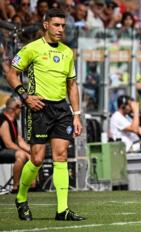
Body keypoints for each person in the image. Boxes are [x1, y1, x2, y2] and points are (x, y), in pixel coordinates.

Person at [6, 8, 85, 221]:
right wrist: (25, 96)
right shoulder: (31, 49)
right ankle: (21, 197)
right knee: (38, 159)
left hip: (61, 109)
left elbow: (72, 85)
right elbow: (11, 73)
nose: (60, 29)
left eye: (63, 26)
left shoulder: (67, 52)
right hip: (38, 107)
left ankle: (62, 210)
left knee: (61, 156)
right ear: (46, 25)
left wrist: (76, 114)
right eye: (57, 25)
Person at [0, 96, 31, 193]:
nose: (21, 111)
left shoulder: (13, 121)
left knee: (34, 156)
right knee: (21, 155)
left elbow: (20, 141)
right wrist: (25, 153)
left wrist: (32, 151)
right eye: (21, 108)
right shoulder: (2, 120)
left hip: (7, 151)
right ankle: (15, 187)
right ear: (15, 108)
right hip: (1, 151)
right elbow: (8, 144)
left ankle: (31, 185)